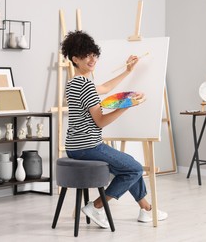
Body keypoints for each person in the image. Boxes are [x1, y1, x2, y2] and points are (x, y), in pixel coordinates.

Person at [61, 30, 168, 229]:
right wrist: (126, 106)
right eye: (86, 55)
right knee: (134, 168)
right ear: (75, 59)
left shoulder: (74, 84)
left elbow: (104, 88)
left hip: (74, 146)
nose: (92, 59)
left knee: (128, 165)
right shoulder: (86, 87)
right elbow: (100, 121)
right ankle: (96, 206)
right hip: (89, 146)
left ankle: (146, 209)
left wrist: (128, 71)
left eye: (94, 54)